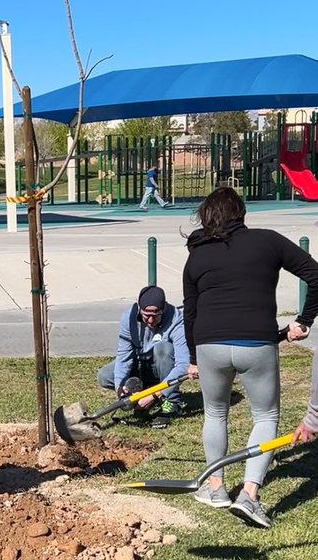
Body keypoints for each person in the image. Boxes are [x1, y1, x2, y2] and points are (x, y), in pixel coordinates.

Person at [183, 185, 318, 526]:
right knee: (265, 416)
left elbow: (190, 311)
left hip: (208, 343)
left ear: (207, 217)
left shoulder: (196, 254)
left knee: (215, 414)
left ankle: (216, 488)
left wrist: (194, 357)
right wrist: (303, 322)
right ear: (241, 214)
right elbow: (315, 274)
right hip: (256, 343)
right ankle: (250, 495)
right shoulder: (267, 241)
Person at [97, 285, 190, 421]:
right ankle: (140, 390)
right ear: (139, 308)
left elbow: (183, 365)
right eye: (147, 316)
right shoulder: (128, 318)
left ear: (163, 309)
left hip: (161, 367)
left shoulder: (177, 320)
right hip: (140, 363)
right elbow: (124, 357)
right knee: (105, 376)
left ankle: (172, 402)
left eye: (156, 315)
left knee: (163, 348)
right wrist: (120, 389)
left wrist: (155, 394)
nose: (151, 321)